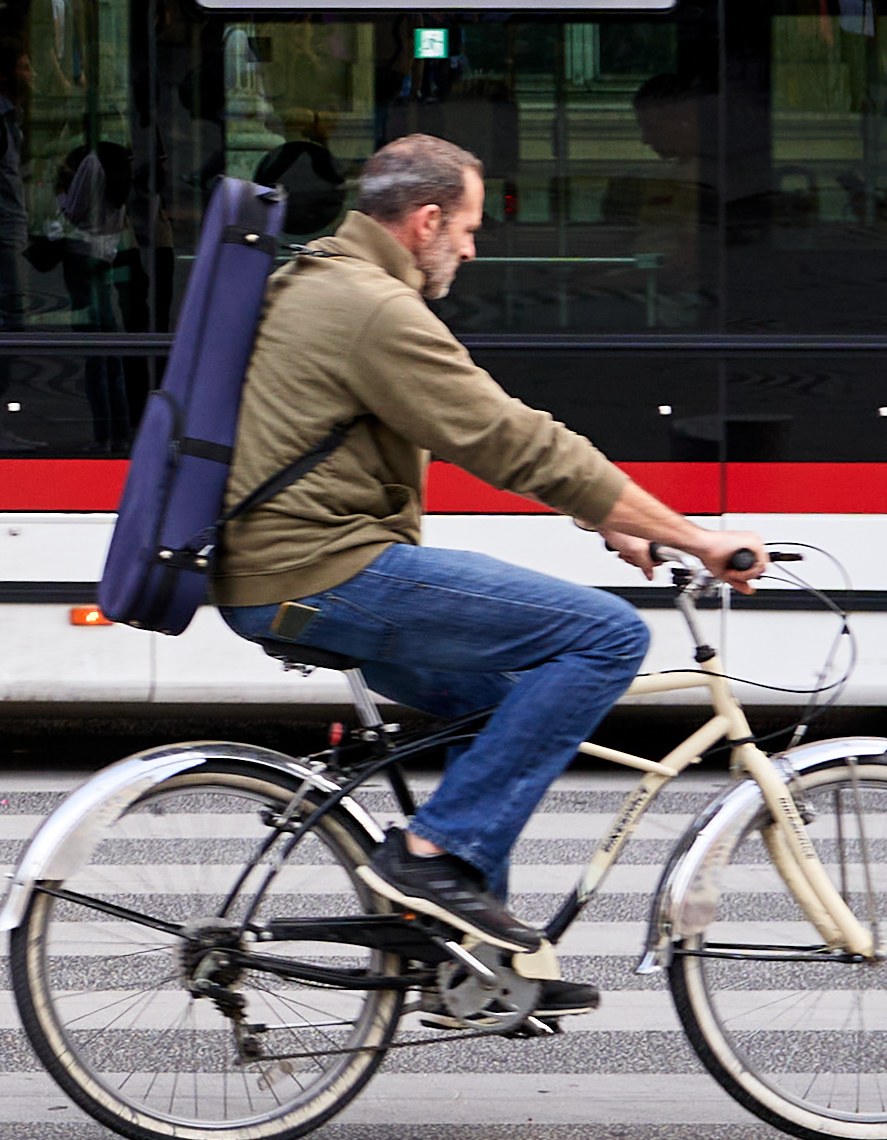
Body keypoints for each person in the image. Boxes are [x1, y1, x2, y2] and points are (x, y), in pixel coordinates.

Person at [212, 131, 760, 962]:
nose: (470, 248)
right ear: (426, 220)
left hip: (277, 569)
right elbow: (510, 438)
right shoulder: (373, 307)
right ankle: (431, 859)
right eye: (468, 229)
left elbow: (469, 436)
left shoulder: (320, 277)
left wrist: (604, 516)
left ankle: (466, 951)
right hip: (322, 568)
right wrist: (693, 536)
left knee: (505, 696)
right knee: (607, 635)